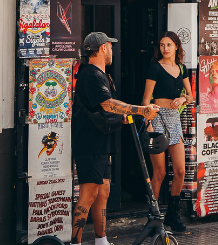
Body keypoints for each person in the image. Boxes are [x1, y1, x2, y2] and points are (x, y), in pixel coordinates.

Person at [71, 32, 159, 245]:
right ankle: (75, 242)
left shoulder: (101, 75)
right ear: (102, 48)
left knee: (103, 191)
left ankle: (101, 241)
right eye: (110, 46)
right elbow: (107, 104)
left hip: (103, 141)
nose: (112, 50)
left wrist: (128, 117)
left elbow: (107, 109)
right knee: (89, 192)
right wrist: (141, 110)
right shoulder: (90, 74)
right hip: (89, 142)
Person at [142, 31, 194, 233]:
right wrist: (148, 123)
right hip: (156, 117)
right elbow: (146, 99)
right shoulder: (154, 68)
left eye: (169, 45)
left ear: (177, 47)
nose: (165, 48)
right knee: (160, 172)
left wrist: (182, 99)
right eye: (162, 45)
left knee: (180, 170)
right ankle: (153, 218)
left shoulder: (181, 68)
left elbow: (190, 95)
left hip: (174, 119)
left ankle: (173, 214)